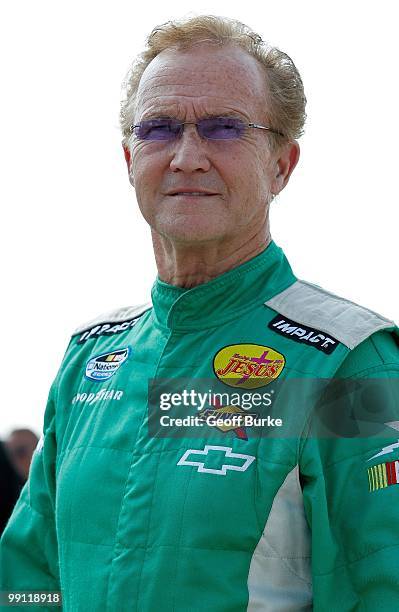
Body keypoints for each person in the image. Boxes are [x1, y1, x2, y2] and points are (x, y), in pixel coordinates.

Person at [1, 14, 398, 611]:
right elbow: (29, 582)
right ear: (129, 159)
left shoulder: (351, 360)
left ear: (282, 165)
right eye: (159, 129)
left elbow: (384, 582)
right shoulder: (90, 359)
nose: (187, 157)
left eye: (224, 128)